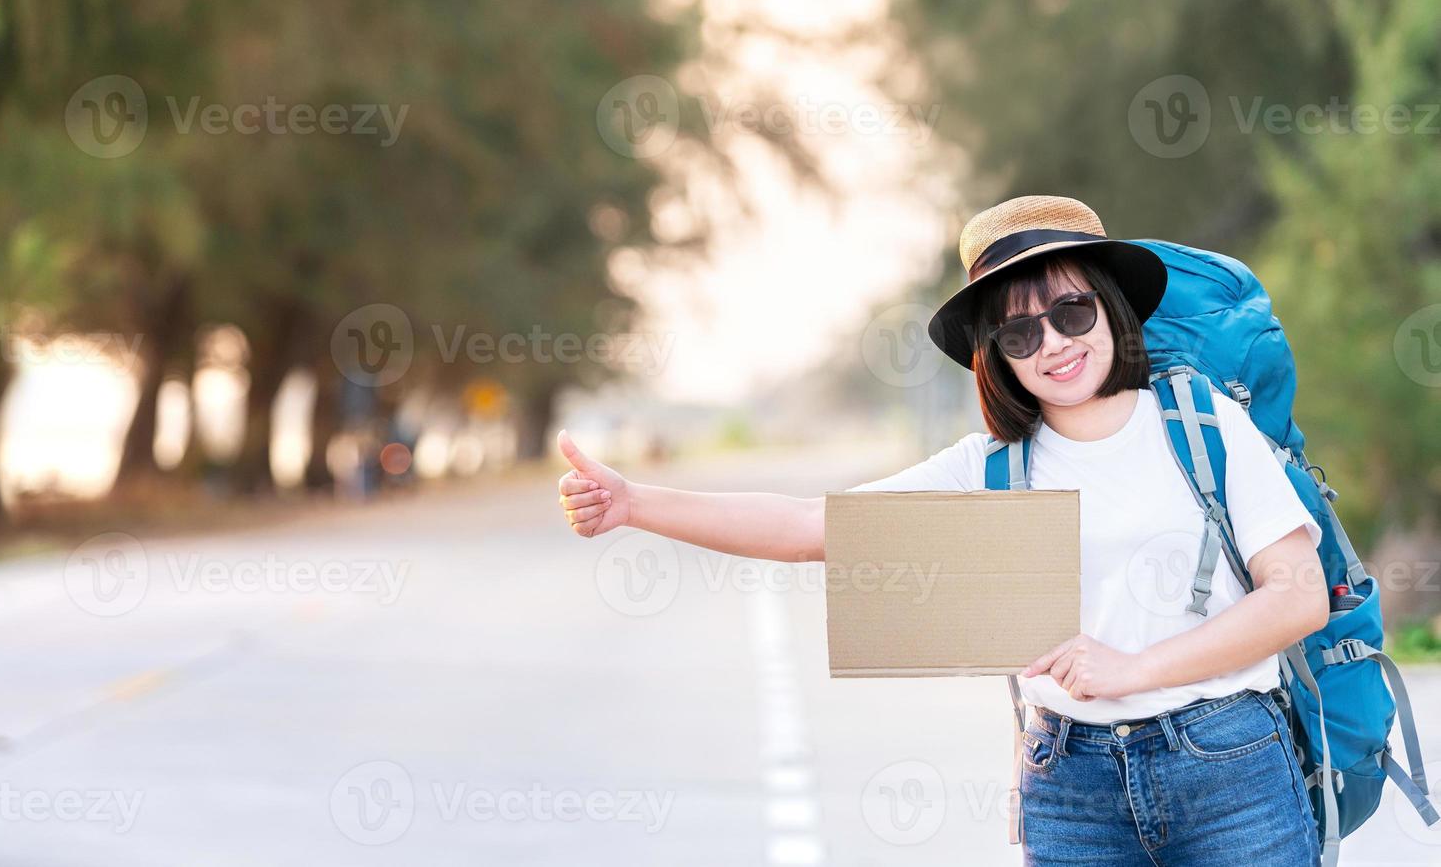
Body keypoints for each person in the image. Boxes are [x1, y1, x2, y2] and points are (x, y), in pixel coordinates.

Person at [553, 195, 1329, 866]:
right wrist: (633, 503)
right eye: (1020, 333)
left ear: (1110, 307)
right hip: (1070, 781)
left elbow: (1296, 598)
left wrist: (1136, 668)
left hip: (1230, 764)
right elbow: (802, 526)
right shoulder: (986, 469)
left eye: (1070, 312)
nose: (1053, 344)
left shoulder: (1199, 423)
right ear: (996, 356)